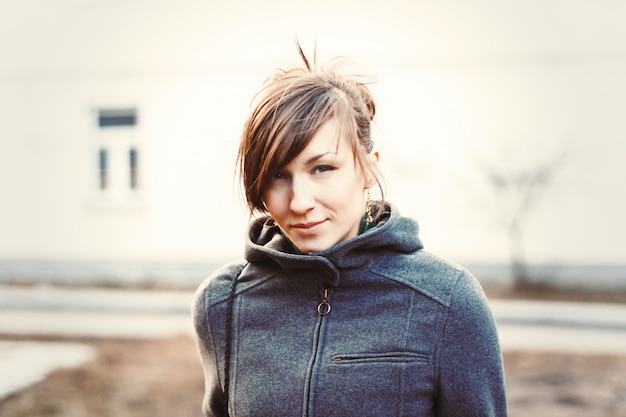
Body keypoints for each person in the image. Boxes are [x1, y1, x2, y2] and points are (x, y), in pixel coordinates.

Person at [192, 43, 508, 417]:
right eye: (278, 175)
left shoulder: (448, 301)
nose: (298, 202)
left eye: (322, 168)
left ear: (369, 168)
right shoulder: (222, 303)